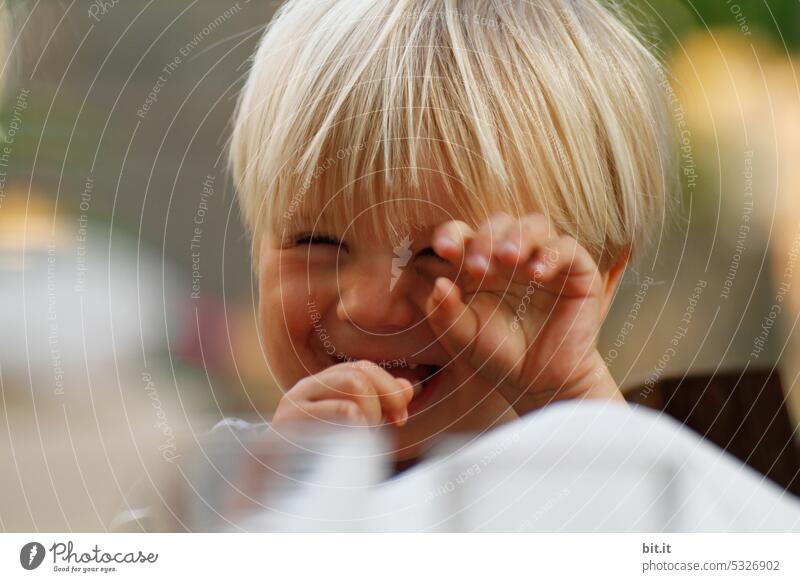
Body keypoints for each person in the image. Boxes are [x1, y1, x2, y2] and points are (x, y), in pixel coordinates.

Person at [228, 0, 676, 466]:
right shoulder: (224, 490)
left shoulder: (585, 488)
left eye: (439, 256)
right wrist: (286, 497)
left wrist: (566, 397)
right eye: (317, 242)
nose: (368, 307)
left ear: (598, 281)